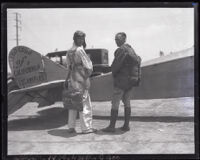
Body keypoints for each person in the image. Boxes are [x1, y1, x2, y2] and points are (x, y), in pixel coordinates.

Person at [102, 32, 141, 132]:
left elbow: (115, 66)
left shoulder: (121, 50)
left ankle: (111, 127)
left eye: (118, 39)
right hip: (130, 81)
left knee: (115, 103)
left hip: (122, 81)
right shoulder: (130, 49)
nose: (116, 41)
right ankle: (126, 125)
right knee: (127, 102)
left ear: (124, 39)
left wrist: (114, 74)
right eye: (115, 39)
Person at [65, 30, 96, 134]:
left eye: (82, 38)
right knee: (85, 103)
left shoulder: (69, 51)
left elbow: (68, 66)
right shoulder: (79, 50)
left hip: (72, 79)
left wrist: (67, 79)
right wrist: (87, 74)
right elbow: (89, 66)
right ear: (75, 39)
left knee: (73, 102)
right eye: (80, 38)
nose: (81, 40)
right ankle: (86, 128)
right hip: (81, 78)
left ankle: (71, 126)